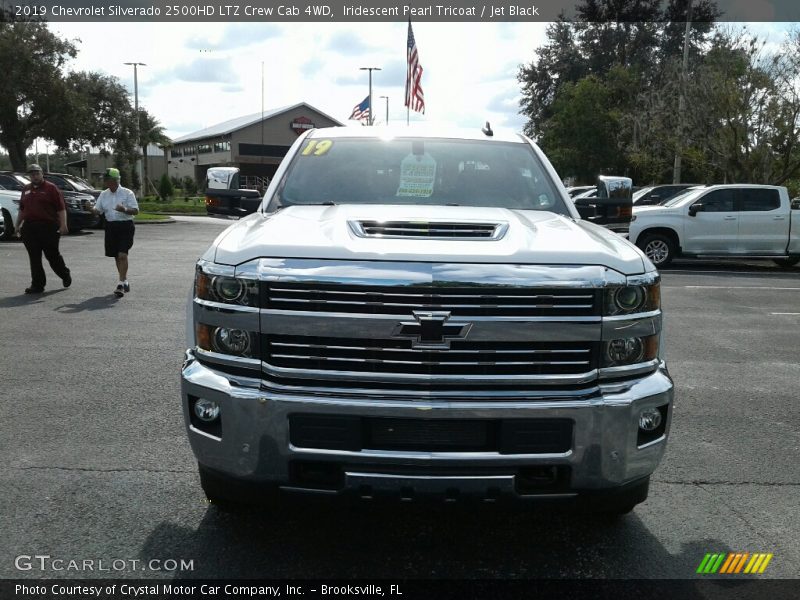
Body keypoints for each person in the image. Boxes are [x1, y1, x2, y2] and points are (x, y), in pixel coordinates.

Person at [13, 164, 71, 294]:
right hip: (30, 227)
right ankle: (37, 285)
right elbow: (22, 210)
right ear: (29, 176)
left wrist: (63, 225)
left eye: (37, 173)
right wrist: (17, 225)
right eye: (32, 174)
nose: (35, 176)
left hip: (48, 227)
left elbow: (61, 208)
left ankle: (64, 273)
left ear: (42, 173)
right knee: (34, 257)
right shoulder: (26, 189)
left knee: (52, 255)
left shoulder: (51, 188)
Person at [90, 167, 139, 297]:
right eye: (105, 180)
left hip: (125, 226)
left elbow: (135, 211)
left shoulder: (127, 193)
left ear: (117, 180)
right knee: (117, 256)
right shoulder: (104, 194)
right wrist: (91, 209)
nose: (106, 182)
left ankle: (120, 284)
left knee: (123, 254)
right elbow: (98, 210)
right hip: (111, 227)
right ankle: (124, 280)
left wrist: (124, 209)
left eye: (109, 180)